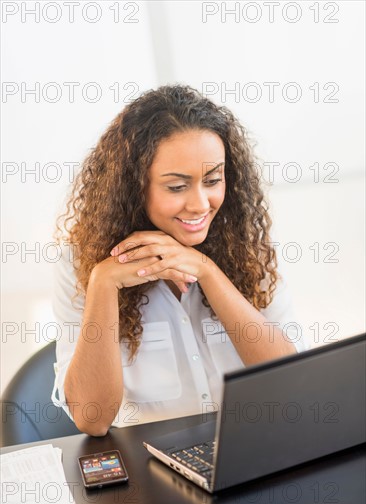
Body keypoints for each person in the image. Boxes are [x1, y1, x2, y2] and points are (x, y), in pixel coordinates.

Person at [51, 84, 307, 436]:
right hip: (151, 471)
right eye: (177, 187)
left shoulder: (248, 245)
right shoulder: (80, 264)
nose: (201, 204)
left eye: (213, 180)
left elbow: (292, 382)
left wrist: (206, 271)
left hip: (252, 449)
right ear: (134, 187)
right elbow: (92, 419)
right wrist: (103, 285)